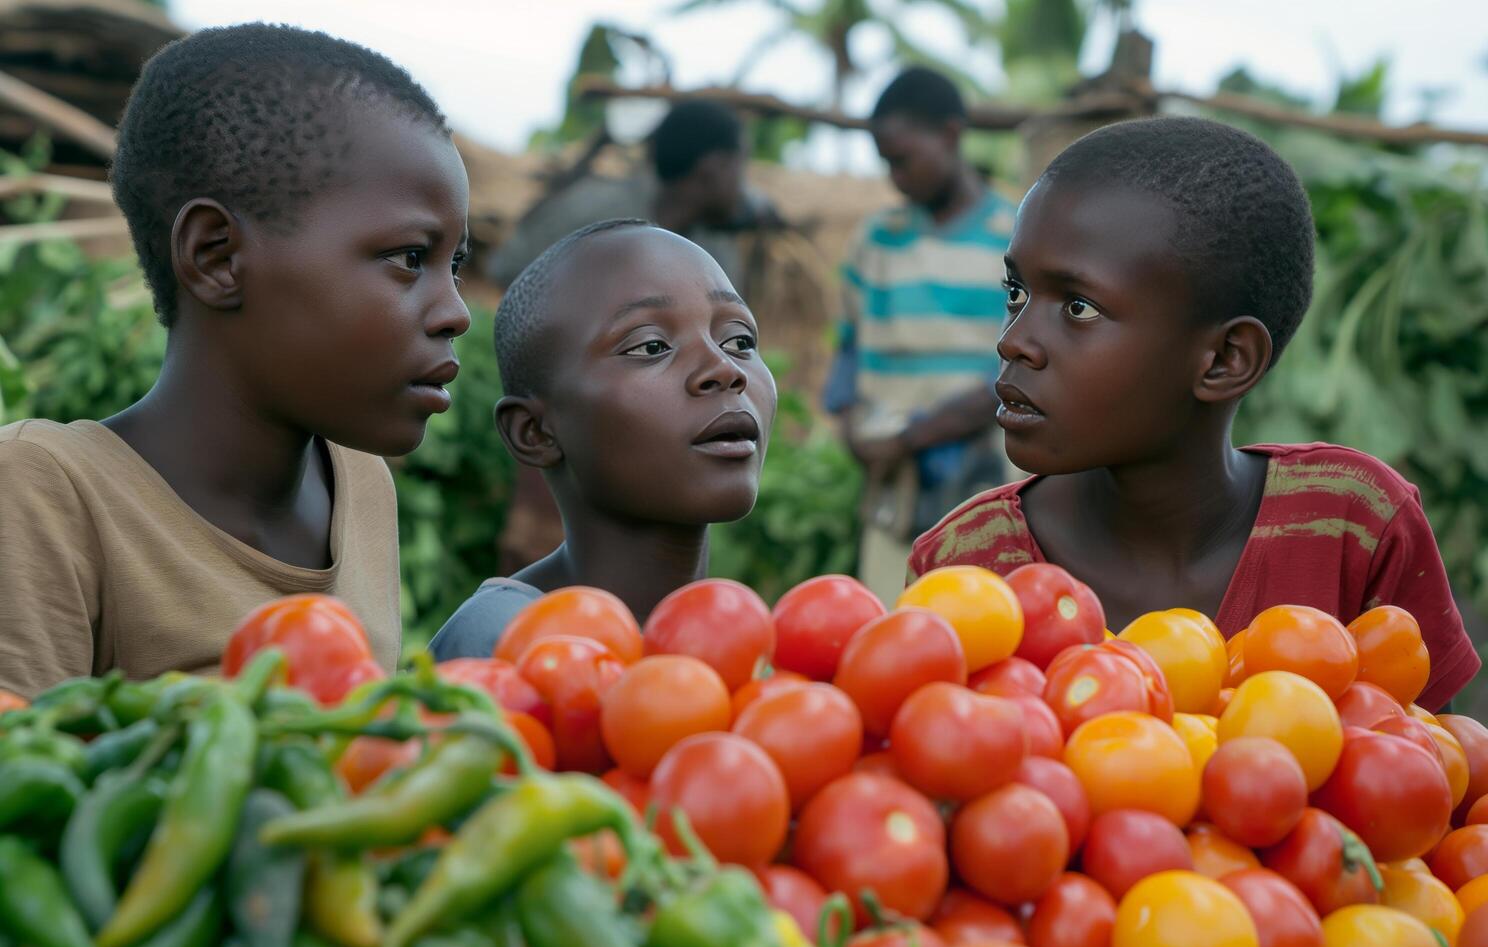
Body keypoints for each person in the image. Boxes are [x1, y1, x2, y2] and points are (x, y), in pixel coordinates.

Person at [909, 116, 1479, 709]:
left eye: (1078, 306)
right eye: (1017, 294)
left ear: (1225, 360)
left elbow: (1431, 768)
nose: (1014, 339)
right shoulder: (965, 571)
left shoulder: (1353, 530)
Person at [0, 24, 471, 697]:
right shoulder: (44, 495)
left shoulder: (362, 488)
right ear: (216, 256)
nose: (455, 310)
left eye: (456, 264)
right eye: (409, 258)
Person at [430, 219, 777, 658]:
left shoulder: (743, 650)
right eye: (651, 346)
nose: (726, 370)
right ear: (533, 431)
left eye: (739, 340)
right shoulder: (510, 645)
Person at [824, 66, 1015, 603]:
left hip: (985, 482)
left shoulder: (1017, 236)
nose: (895, 178)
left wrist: (917, 436)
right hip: (894, 487)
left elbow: (1018, 370)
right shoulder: (876, 242)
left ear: (951, 136)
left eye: (903, 160)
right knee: (893, 624)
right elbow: (848, 350)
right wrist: (851, 429)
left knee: (985, 621)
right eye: (886, 163)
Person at [487, 99, 777, 294]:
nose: (743, 185)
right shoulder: (591, 211)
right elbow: (508, 269)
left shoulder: (715, 251)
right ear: (712, 168)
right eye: (741, 165)